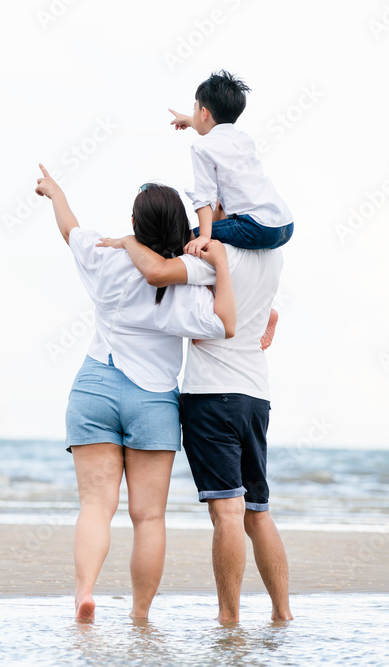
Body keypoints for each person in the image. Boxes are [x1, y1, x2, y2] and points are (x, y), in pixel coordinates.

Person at [34, 163, 237, 621]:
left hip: (95, 388)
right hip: (153, 399)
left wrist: (55, 191)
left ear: (133, 224)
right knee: (148, 518)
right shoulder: (186, 283)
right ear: (178, 228)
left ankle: (85, 592)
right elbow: (224, 323)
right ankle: (140, 614)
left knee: (95, 507)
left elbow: (71, 229)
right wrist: (218, 266)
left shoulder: (105, 257)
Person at [96, 229, 294, 624]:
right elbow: (269, 310)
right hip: (255, 396)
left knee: (228, 513)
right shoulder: (272, 258)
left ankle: (229, 618)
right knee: (258, 511)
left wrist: (128, 242)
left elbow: (156, 272)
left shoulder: (212, 256)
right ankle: (282, 613)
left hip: (212, 395)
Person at [170, 70, 292, 348]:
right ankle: (267, 311)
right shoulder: (242, 138)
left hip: (256, 226)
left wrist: (202, 236)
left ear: (203, 112)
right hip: (283, 224)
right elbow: (216, 128)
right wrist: (188, 120)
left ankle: (207, 313)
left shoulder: (202, 147)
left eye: (194, 109)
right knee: (247, 254)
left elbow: (203, 196)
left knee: (190, 242)